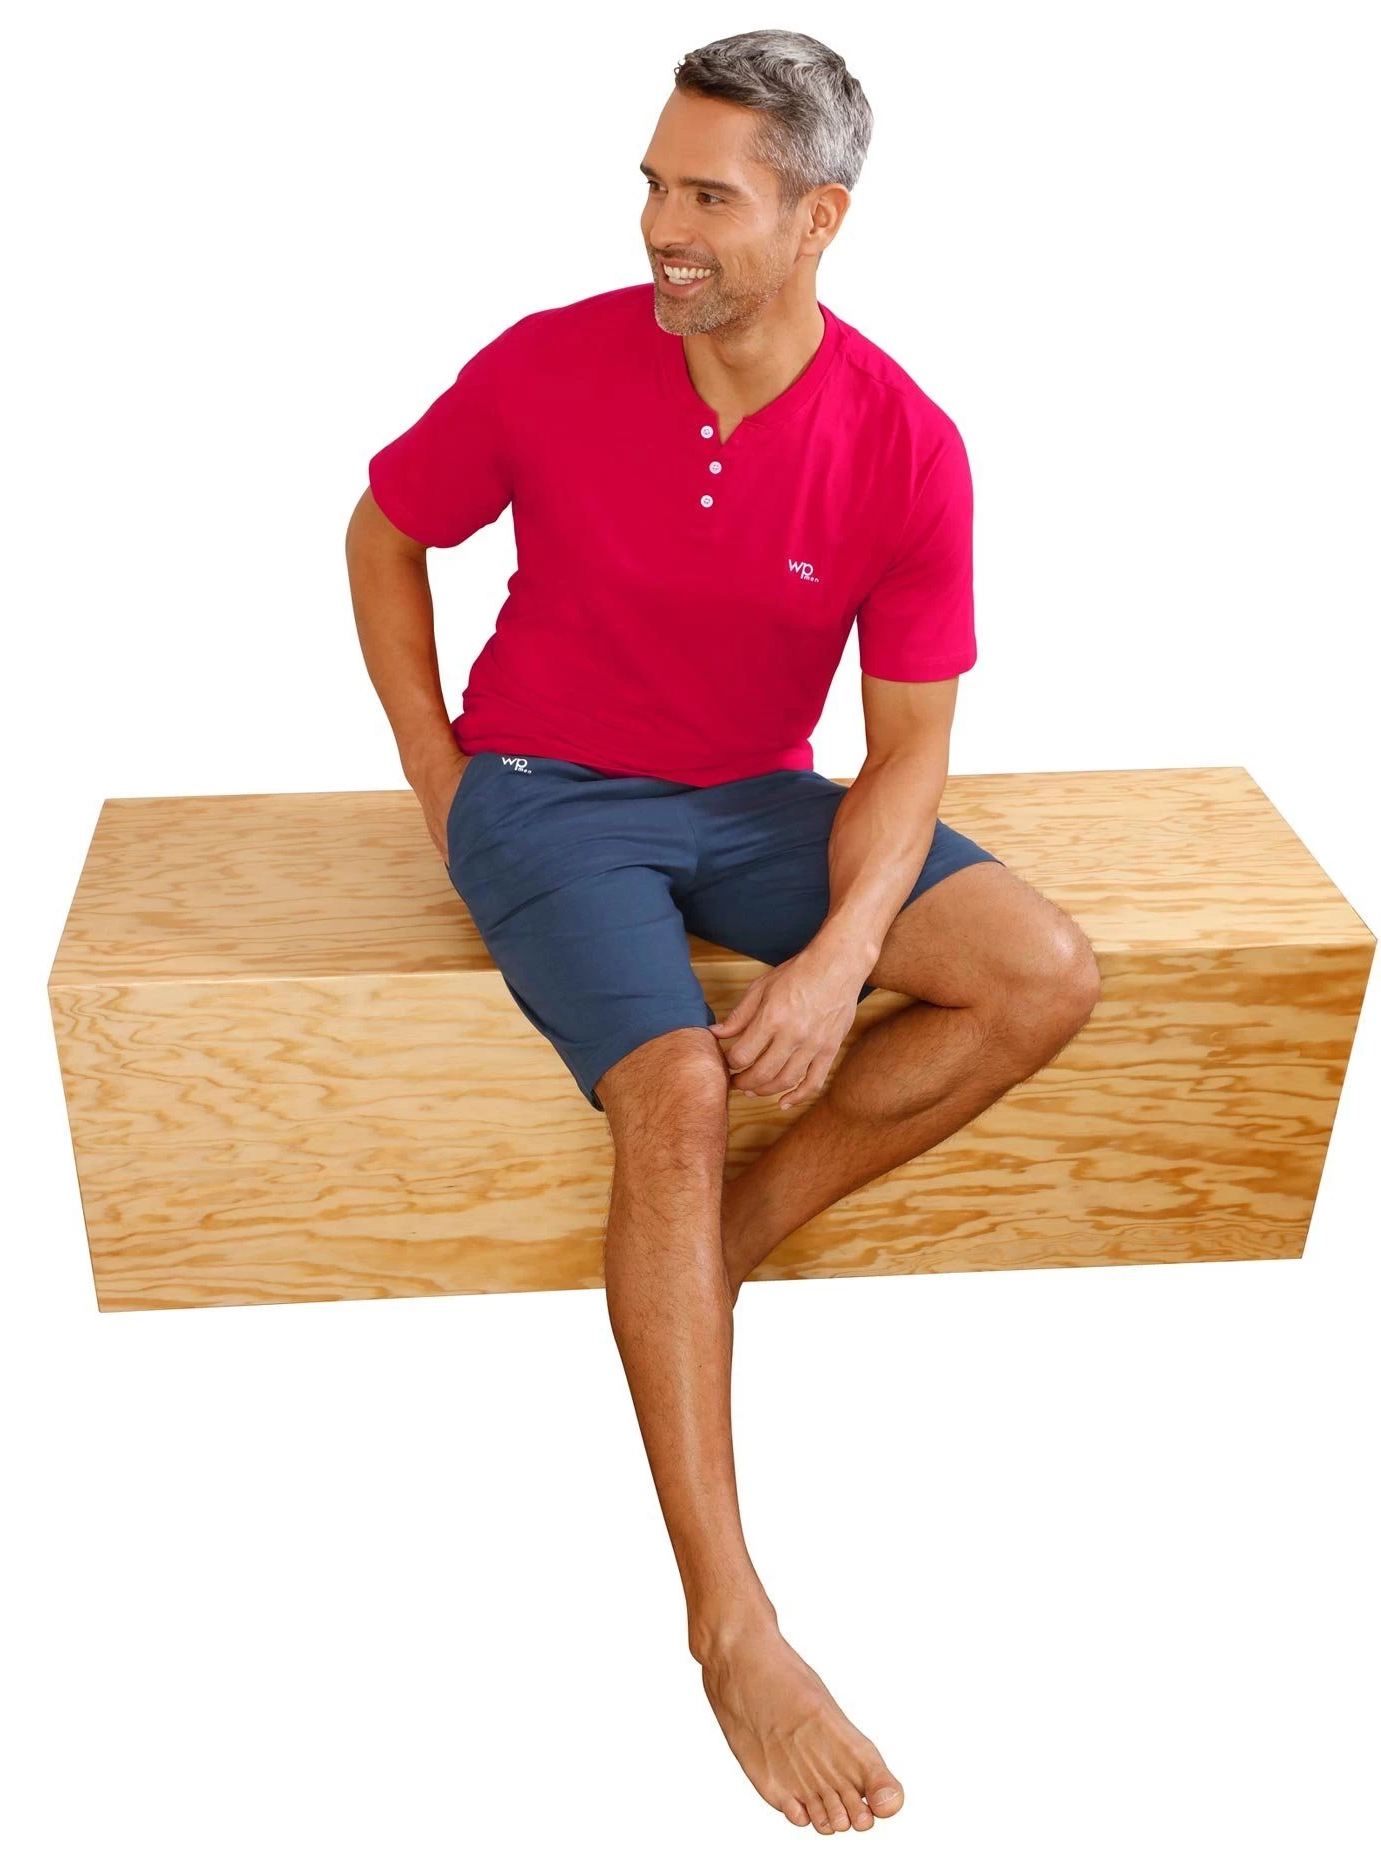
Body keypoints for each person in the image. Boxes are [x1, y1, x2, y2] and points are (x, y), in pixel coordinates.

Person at [346, 27, 1099, 1837]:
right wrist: (440, 777)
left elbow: (904, 752)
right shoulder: (547, 364)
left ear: (817, 218)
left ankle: (713, 1256)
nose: (659, 227)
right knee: (674, 1089)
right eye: (651, 186)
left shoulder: (905, 442)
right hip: (544, 792)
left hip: (758, 802)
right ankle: (731, 1626)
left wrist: (837, 956)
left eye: (708, 197)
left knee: (1040, 978)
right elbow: (382, 531)